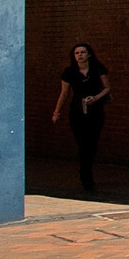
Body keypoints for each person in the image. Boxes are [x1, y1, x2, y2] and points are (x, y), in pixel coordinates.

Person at [51, 42, 111, 192]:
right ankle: (85, 175)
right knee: (82, 143)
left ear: (89, 54)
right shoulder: (69, 72)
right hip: (77, 110)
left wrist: (96, 98)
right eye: (77, 53)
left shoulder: (97, 69)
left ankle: (87, 175)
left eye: (83, 52)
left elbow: (107, 87)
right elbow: (64, 93)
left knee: (91, 143)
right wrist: (56, 112)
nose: (80, 55)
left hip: (95, 110)